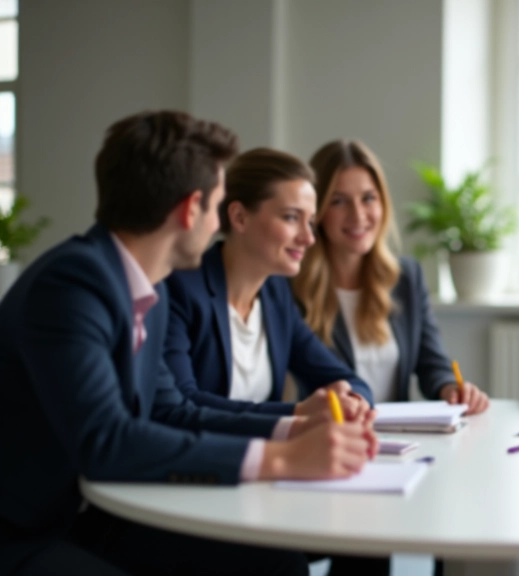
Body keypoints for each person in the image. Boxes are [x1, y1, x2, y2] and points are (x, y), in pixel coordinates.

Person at [0, 111, 373, 576]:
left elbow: (170, 410)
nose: (221, 222)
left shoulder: (146, 287)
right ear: (189, 208)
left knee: (278, 567)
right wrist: (282, 458)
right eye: (218, 206)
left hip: (103, 511)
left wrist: (292, 427)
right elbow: (107, 440)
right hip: (26, 533)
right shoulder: (73, 283)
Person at [163, 147, 374, 423]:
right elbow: (180, 404)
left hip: (267, 463)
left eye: (310, 221)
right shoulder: (180, 287)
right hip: (198, 464)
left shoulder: (276, 294)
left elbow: (345, 378)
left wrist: (353, 401)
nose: (308, 238)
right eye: (291, 217)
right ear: (239, 217)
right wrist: (294, 414)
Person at [292, 139, 489, 414]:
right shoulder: (293, 287)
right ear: (318, 211)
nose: (358, 215)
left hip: (402, 438)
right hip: (331, 436)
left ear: (383, 203)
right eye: (338, 201)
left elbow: (432, 363)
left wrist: (450, 388)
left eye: (368, 198)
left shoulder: (406, 276)